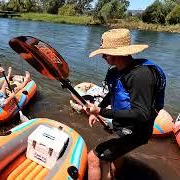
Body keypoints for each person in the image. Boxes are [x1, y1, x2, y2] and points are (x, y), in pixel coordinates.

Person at [71, 29, 166, 180]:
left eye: (105, 53)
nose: (102, 56)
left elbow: (142, 113)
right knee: (110, 159)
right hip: (123, 124)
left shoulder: (140, 76)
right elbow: (114, 92)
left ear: (117, 53)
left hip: (136, 130)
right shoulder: (117, 71)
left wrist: (101, 111)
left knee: (93, 158)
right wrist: (97, 109)